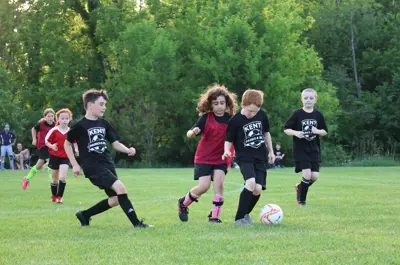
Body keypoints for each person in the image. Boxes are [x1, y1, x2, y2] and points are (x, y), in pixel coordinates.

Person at [64, 89, 153, 228]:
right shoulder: (79, 126)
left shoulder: (104, 124)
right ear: (89, 105)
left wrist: (127, 150)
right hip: (92, 166)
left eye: (105, 104)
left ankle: (85, 215)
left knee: (116, 199)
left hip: (107, 164)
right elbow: (67, 143)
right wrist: (75, 164)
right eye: (101, 104)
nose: (104, 107)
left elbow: (115, 143)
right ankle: (137, 224)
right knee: (121, 188)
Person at [178, 84, 238, 223]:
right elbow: (191, 131)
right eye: (215, 103)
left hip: (221, 157)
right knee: (204, 186)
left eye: (222, 103)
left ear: (227, 103)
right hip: (204, 157)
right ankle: (183, 203)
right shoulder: (206, 117)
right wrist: (192, 133)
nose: (219, 106)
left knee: (219, 184)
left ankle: (215, 216)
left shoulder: (231, 119)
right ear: (210, 104)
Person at [222, 89, 275, 226]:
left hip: (261, 157)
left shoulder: (262, 115)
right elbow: (228, 139)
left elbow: (266, 133)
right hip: (244, 157)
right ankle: (238, 219)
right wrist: (227, 151)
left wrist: (271, 152)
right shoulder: (235, 120)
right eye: (250, 110)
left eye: (255, 112)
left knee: (257, 189)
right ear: (243, 104)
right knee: (250, 183)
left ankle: (246, 215)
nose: (252, 114)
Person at [283, 88, 328, 206]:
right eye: (306, 98)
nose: (308, 100)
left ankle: (300, 187)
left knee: (315, 176)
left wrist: (317, 131)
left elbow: (324, 131)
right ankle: (301, 201)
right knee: (307, 175)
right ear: (302, 99)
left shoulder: (318, 115)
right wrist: (296, 133)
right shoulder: (297, 114)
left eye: (311, 98)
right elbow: (286, 129)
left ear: (315, 100)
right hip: (301, 149)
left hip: (314, 149)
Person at [45, 108, 78, 203]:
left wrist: (76, 150)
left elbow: (75, 142)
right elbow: (46, 141)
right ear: (58, 120)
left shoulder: (70, 131)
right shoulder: (54, 130)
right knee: (54, 180)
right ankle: (54, 197)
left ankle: (59, 197)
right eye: (62, 118)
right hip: (54, 156)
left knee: (62, 178)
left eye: (66, 118)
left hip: (65, 157)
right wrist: (52, 146)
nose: (64, 120)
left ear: (69, 119)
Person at [22, 109, 55, 190]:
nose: (50, 118)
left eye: (52, 116)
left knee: (38, 165)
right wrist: (34, 139)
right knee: (51, 163)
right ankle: (53, 184)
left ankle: (27, 179)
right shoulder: (41, 124)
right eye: (48, 116)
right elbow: (33, 129)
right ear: (45, 117)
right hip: (42, 146)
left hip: (50, 146)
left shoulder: (55, 125)